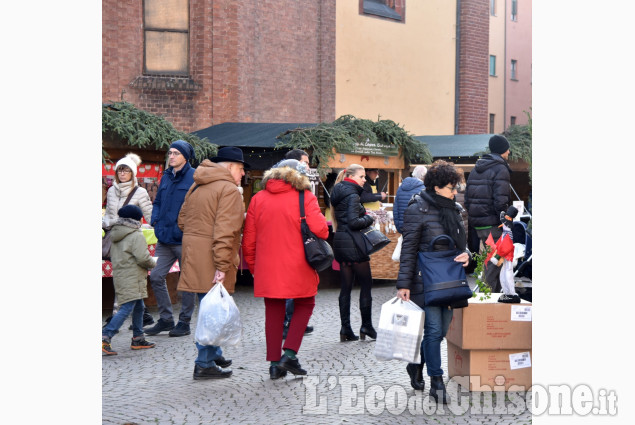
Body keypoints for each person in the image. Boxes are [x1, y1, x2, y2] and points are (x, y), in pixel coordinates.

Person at [242, 159, 329, 379]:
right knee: (305, 302)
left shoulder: (257, 198)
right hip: (298, 264)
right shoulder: (305, 197)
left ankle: (274, 364)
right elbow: (322, 230)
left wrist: (254, 267)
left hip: (266, 266)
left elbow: (249, 239)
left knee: (273, 311)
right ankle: (289, 354)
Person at [396, 160, 471, 404]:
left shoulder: (456, 209)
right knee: (434, 330)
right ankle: (436, 382)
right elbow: (408, 248)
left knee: (440, 332)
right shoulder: (417, 208)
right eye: (452, 187)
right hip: (424, 279)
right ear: (437, 187)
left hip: (450, 278)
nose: (455, 191)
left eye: (456, 187)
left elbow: (463, 245)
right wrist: (403, 284)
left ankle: (416, 363)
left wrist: (467, 255)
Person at [177, 146, 249, 380]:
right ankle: (204, 363)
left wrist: (197, 240)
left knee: (207, 307)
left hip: (194, 254)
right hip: (213, 257)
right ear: (229, 167)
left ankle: (213, 353)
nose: (242, 175)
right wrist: (221, 265)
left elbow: (182, 221)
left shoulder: (197, 184)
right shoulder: (229, 190)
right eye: (240, 169)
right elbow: (226, 232)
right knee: (212, 314)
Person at [144, 140, 198, 337]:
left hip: (185, 239)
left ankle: (184, 322)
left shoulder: (195, 177)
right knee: (156, 276)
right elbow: (157, 202)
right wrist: (155, 219)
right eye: (170, 153)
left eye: (175, 153)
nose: (171, 156)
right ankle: (166, 319)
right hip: (164, 239)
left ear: (185, 156)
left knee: (188, 282)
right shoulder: (166, 176)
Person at [102, 152, 155, 328]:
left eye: (126, 171)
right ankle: (141, 315)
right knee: (120, 273)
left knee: (129, 274)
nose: (122, 174)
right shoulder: (111, 191)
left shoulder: (139, 192)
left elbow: (149, 214)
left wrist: (157, 228)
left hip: (131, 237)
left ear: (133, 173)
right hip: (114, 236)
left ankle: (118, 313)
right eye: (120, 171)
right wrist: (105, 223)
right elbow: (110, 215)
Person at [329, 164, 378, 342]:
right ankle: (366, 326)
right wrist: (370, 217)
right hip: (354, 243)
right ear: (350, 176)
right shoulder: (352, 194)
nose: (365, 180)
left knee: (346, 287)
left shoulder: (339, 191)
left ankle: (345, 329)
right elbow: (354, 222)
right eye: (362, 176)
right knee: (366, 284)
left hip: (341, 242)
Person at [102, 205, 157, 355]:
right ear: (136, 219)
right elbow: (143, 258)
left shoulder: (115, 233)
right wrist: (154, 262)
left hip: (122, 275)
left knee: (139, 306)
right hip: (133, 276)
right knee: (126, 308)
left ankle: (138, 338)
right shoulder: (136, 235)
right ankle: (106, 335)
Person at [464, 134, 512, 293]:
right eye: (508, 149)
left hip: (478, 224)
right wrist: (505, 220)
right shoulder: (500, 168)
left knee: (492, 257)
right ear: (504, 150)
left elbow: (467, 198)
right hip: (493, 224)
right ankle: (486, 296)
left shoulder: (476, 168)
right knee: (496, 259)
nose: (509, 152)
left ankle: (495, 298)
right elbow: (501, 200)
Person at [281, 149, 314, 339]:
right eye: (305, 162)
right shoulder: (295, 189)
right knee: (289, 288)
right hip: (290, 243)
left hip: (292, 242)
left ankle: (293, 321)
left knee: (294, 286)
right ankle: (287, 323)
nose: (308, 166)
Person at [393, 165, 427, 234]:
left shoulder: (400, 188)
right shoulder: (424, 189)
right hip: (418, 230)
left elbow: (395, 208)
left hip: (403, 227)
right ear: (424, 176)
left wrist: (399, 227)